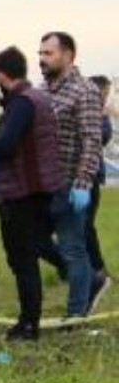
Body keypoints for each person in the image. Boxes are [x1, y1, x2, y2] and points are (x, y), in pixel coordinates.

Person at [0, 48, 64, 341]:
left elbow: (5, 146)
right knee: (28, 255)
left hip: (23, 192)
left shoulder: (20, 103)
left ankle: (29, 323)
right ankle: (29, 319)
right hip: (39, 189)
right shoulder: (38, 97)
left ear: (0, 74)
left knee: (23, 260)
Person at [37, 32, 105, 320]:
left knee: (73, 247)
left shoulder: (84, 91)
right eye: (40, 53)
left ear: (68, 55)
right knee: (35, 240)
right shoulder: (41, 90)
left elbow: (91, 140)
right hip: (42, 184)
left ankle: (77, 313)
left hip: (68, 184)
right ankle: (90, 277)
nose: (41, 59)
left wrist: (82, 183)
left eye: (48, 53)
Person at [84, 74, 112, 307]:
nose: (105, 98)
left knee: (86, 226)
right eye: (103, 93)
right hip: (85, 175)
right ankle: (94, 269)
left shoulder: (101, 118)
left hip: (91, 176)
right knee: (83, 227)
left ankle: (97, 270)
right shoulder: (91, 111)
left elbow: (102, 137)